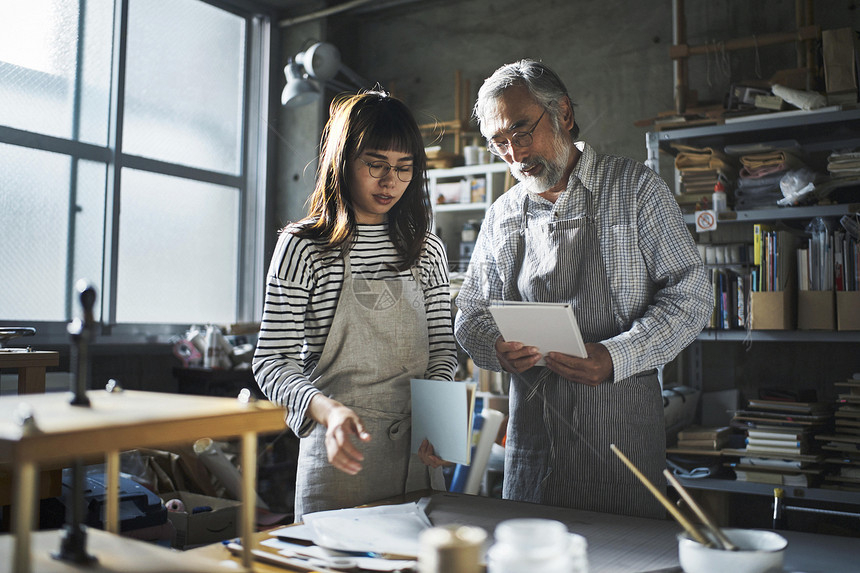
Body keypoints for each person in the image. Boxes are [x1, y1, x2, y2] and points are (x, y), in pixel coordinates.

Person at [454, 60, 712, 518]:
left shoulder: (634, 189)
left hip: (622, 441)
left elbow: (691, 294)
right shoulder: (502, 215)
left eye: (521, 131)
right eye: (499, 143)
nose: (514, 153)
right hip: (534, 444)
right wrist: (494, 347)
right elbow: (470, 314)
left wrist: (616, 356)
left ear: (563, 113)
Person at [253, 90, 458, 521]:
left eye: (404, 169)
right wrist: (328, 412)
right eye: (376, 165)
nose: (390, 183)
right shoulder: (304, 248)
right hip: (342, 454)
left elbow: (442, 350)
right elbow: (272, 360)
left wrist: (440, 424)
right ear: (342, 161)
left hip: (420, 454)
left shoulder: (426, 251)